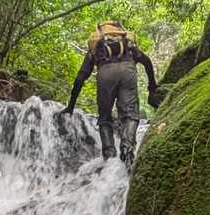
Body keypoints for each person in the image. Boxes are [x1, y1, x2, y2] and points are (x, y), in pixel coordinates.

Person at [62, 21, 160, 167]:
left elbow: (80, 78)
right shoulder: (127, 44)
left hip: (105, 73)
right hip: (127, 71)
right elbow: (147, 61)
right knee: (131, 115)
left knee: (105, 118)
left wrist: (71, 106)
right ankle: (127, 148)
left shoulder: (97, 47)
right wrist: (152, 86)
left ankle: (109, 157)